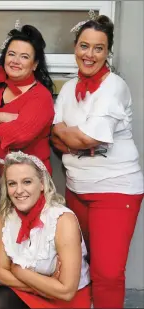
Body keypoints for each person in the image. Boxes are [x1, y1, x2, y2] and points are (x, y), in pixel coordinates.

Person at [51, 11, 144, 308]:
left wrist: (72, 135)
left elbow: (90, 139)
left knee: (107, 274)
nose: (89, 54)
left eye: (98, 48)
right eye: (84, 46)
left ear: (107, 53)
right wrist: (72, 137)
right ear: (75, 48)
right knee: (76, 268)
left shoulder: (113, 86)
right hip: (77, 189)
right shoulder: (67, 89)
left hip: (114, 190)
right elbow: (55, 136)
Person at [0, 152, 91, 309]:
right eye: (12, 183)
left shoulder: (62, 220)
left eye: (27, 182)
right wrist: (48, 285)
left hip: (65, 301)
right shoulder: (5, 219)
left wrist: (19, 271)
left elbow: (66, 291)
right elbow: (3, 275)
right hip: (31, 291)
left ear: (42, 184)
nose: (19, 191)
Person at [0, 23, 55, 174]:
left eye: (24, 57)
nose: (15, 61)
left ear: (35, 65)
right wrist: (2, 116)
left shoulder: (41, 96)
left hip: (28, 179)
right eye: (11, 54)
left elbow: (17, 137)